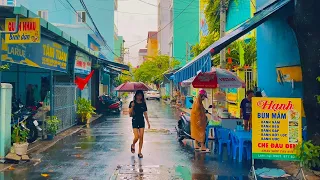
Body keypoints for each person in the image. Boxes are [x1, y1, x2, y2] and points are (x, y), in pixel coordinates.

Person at [129, 90, 150, 158]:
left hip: (141, 120)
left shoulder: (143, 103)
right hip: (135, 120)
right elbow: (130, 114)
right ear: (136, 96)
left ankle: (139, 152)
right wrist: (132, 107)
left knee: (141, 137)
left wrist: (148, 122)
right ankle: (133, 144)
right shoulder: (132, 103)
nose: (139, 97)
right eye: (138, 95)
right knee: (137, 136)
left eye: (140, 95)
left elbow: (145, 113)